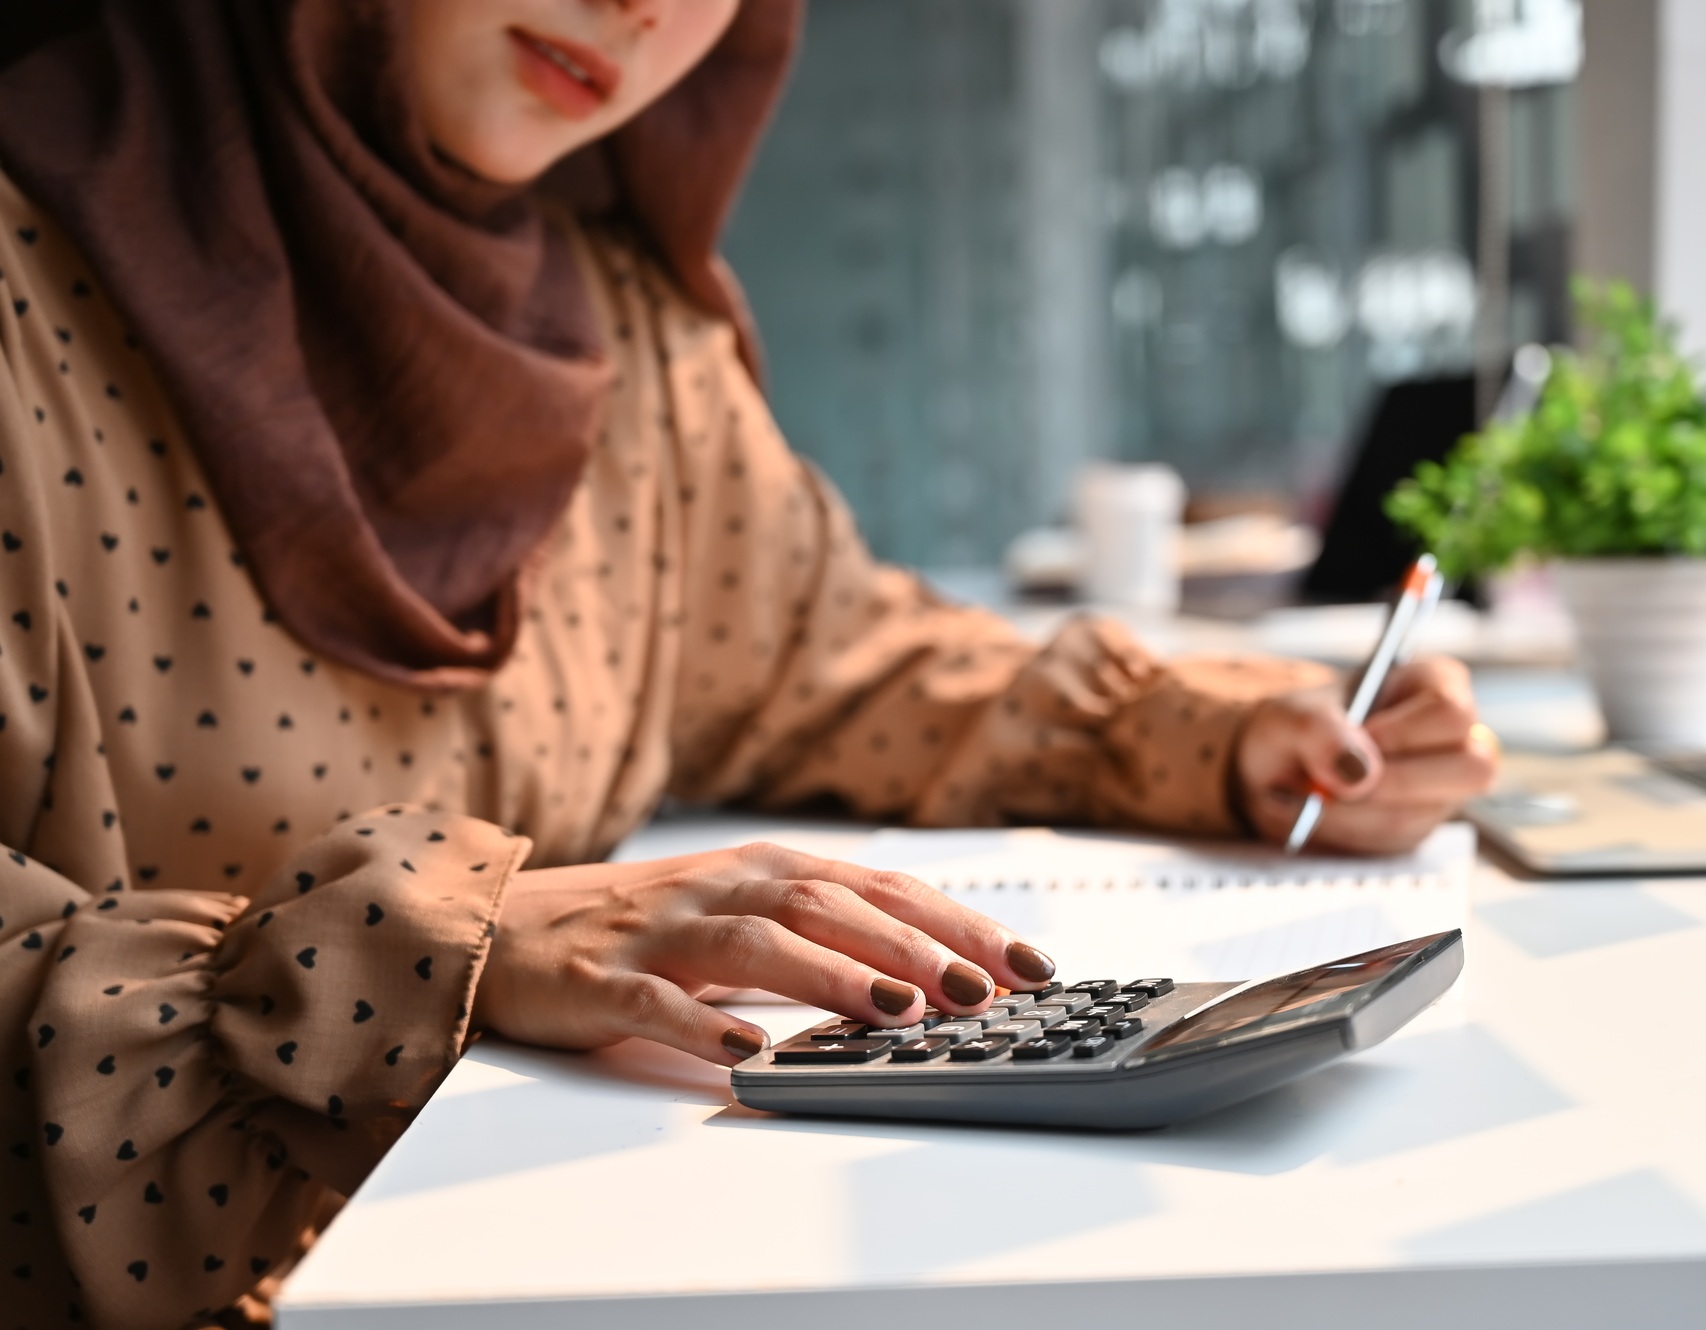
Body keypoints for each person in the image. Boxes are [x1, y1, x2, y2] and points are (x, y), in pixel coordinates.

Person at [0, 2, 1499, 1325]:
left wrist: (1230, 736)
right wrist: (442, 944)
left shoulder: (625, 341)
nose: (648, 7)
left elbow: (835, 659)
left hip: (576, 1250)